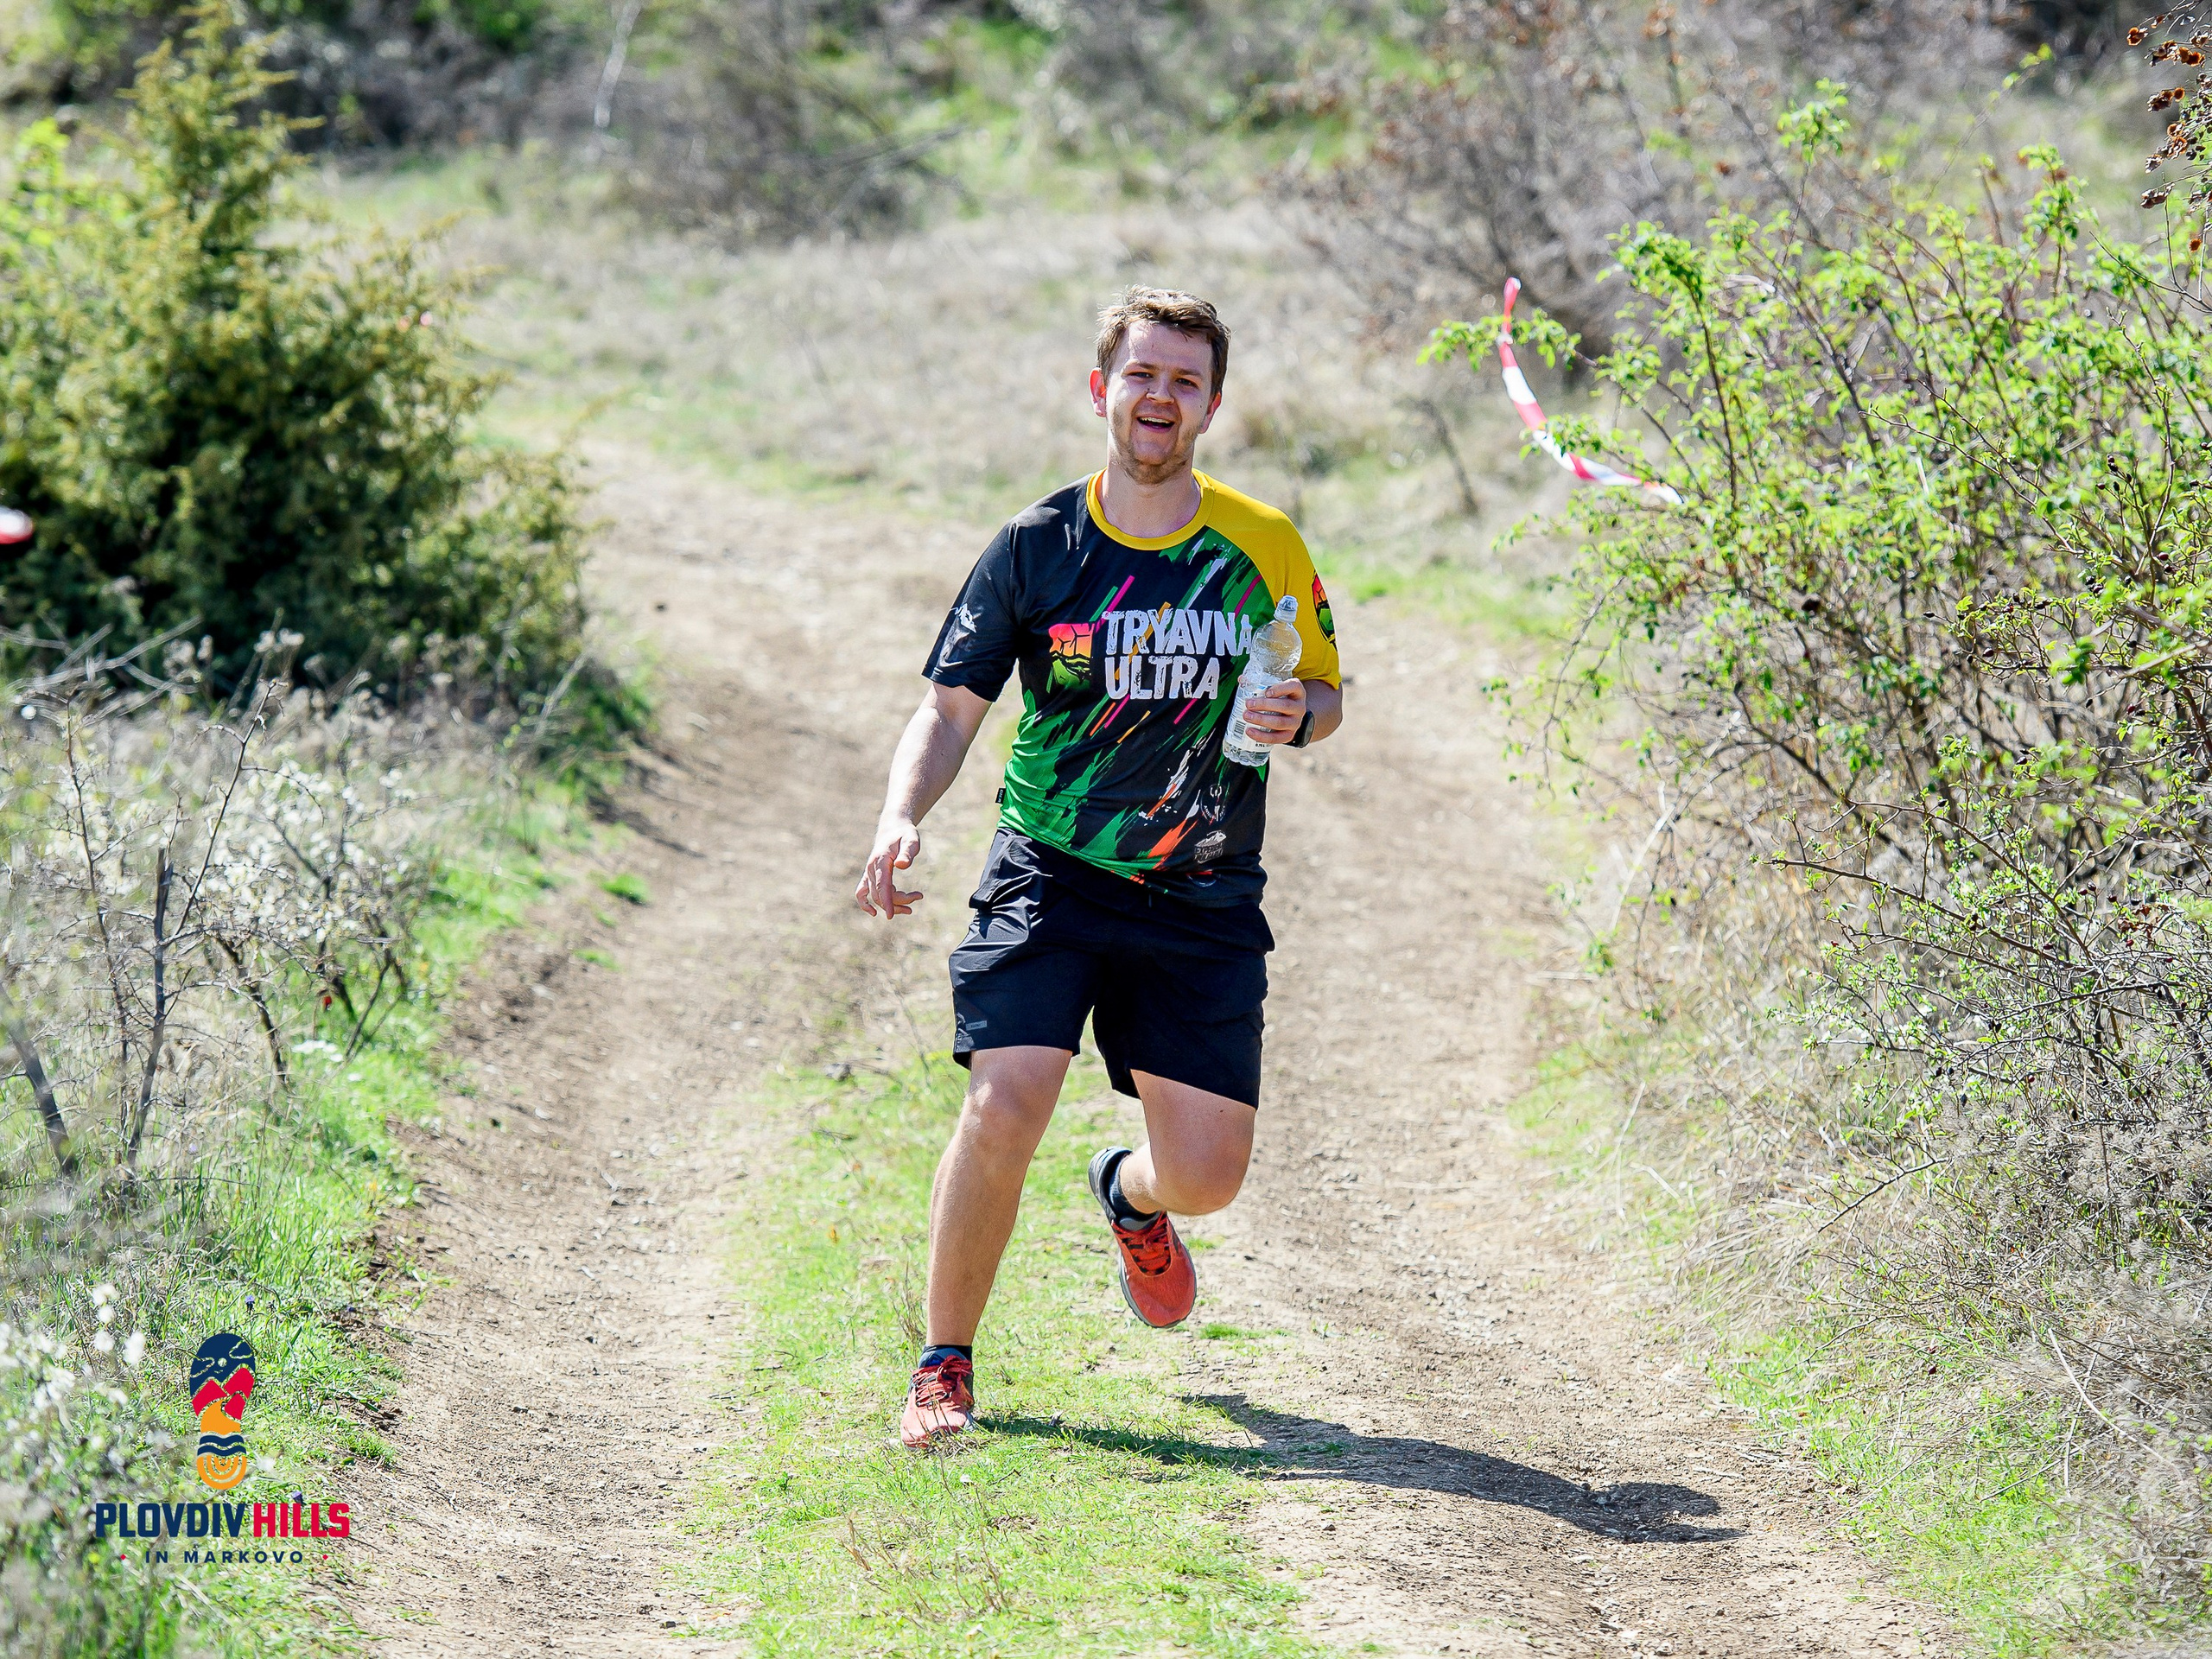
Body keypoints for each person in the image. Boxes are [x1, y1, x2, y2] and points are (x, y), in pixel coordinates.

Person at [854, 287, 1344, 1449]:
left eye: (1185, 381)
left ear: (1212, 406)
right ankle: (944, 1366)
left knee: (1208, 1180)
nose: (1160, 398)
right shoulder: (1038, 546)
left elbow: (1324, 693)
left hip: (1202, 890)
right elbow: (951, 709)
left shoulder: (1263, 544)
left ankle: (1129, 1192)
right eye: (1142, 375)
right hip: (1052, 871)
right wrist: (899, 815)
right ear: (1101, 391)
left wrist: (1299, 716)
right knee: (1005, 1100)